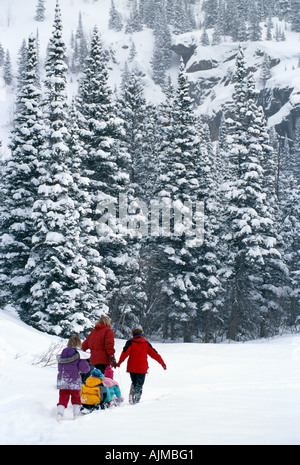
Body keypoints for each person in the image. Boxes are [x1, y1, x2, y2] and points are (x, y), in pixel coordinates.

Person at [116, 328, 166, 404]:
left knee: (134, 381)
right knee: (139, 384)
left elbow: (124, 353)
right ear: (141, 334)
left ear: (133, 334)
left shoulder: (130, 342)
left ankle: (133, 390)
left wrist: (119, 363)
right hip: (142, 368)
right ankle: (136, 399)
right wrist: (162, 363)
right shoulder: (146, 343)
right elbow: (154, 354)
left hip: (132, 367)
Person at [56, 335, 90, 421]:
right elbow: (85, 369)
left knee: (63, 398)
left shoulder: (62, 354)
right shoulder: (79, 355)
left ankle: (59, 414)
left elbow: (60, 368)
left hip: (63, 380)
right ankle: (76, 414)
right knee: (76, 397)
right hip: (74, 380)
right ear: (79, 344)